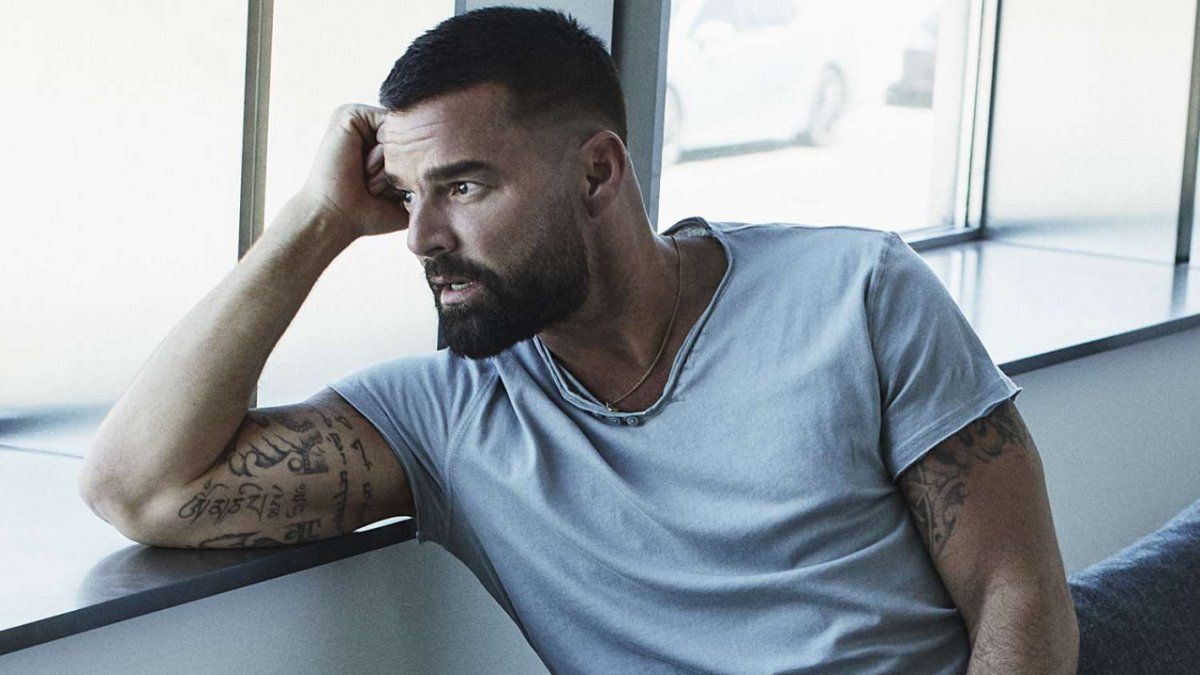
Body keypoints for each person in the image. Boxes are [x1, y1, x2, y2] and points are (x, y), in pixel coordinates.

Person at [79, 7, 1078, 673]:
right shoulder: (448, 414)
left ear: (598, 173)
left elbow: (1016, 590)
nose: (423, 237)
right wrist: (317, 218)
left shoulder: (856, 293)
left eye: (463, 186)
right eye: (408, 195)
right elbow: (140, 487)